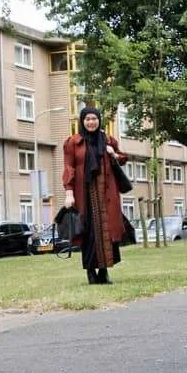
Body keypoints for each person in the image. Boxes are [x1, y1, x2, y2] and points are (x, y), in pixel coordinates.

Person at [63, 107, 128, 284]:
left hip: (106, 193)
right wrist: (69, 192)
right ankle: (91, 273)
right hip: (85, 194)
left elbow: (123, 158)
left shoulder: (108, 139)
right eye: (87, 119)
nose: (91, 122)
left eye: (94, 119)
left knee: (106, 232)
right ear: (82, 121)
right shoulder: (73, 142)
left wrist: (113, 153)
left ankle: (104, 272)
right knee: (89, 234)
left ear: (99, 120)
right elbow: (69, 167)